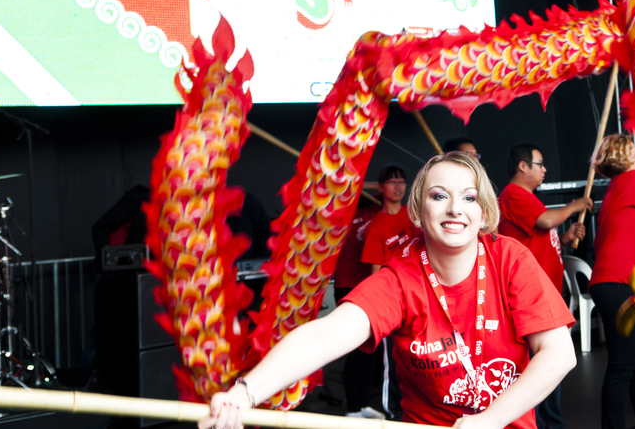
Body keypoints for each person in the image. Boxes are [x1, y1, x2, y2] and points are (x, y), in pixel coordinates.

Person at [201, 152, 577, 429]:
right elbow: (323, 337)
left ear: (484, 212)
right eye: (438, 196)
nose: (454, 209)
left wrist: (490, 420)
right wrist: (244, 393)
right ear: (418, 211)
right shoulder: (400, 279)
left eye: (469, 197)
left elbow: (559, 353)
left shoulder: (510, 259)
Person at [497, 142, 591, 429]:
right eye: (539, 164)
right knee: (545, 364)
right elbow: (546, 219)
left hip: (544, 294)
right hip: (532, 297)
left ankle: (549, 421)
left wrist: (564, 238)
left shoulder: (526, 197)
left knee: (550, 362)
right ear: (522, 166)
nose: (545, 169)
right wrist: (575, 206)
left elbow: (538, 237)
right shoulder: (514, 194)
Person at [588, 134, 635, 429]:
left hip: (618, 283)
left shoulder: (619, 186)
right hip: (620, 282)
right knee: (624, 366)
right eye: (634, 151)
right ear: (623, 156)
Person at [361, 164, 416, 419]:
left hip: (420, 294)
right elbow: (375, 272)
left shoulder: (413, 215)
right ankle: (393, 413)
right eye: (392, 182)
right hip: (393, 301)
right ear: (381, 188)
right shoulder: (376, 227)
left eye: (401, 181)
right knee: (392, 363)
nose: (398, 186)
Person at [332, 186, 383, 419]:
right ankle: (352, 409)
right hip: (347, 286)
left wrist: (366, 185)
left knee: (370, 349)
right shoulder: (341, 212)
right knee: (354, 349)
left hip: (370, 284)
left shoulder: (374, 207)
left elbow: (385, 189)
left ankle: (363, 404)